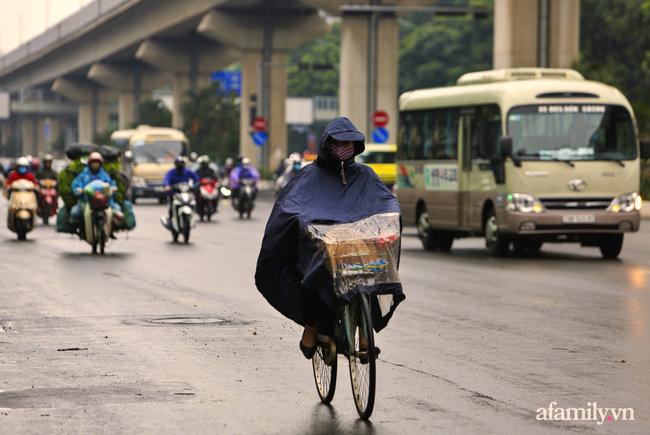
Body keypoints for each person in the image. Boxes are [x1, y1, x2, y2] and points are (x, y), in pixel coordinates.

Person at [255, 117, 405, 359]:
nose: (344, 146)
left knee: (374, 270)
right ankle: (312, 327)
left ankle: (365, 335)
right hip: (324, 244)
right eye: (339, 142)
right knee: (312, 271)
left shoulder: (366, 174)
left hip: (359, 243)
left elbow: (385, 199)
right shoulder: (308, 176)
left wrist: (391, 217)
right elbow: (290, 206)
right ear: (327, 143)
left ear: (356, 145)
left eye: (349, 142)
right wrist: (305, 224)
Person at [70, 152, 123, 229]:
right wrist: (79, 190)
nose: (95, 165)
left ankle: (111, 229)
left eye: (97, 163)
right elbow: (76, 184)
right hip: (86, 200)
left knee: (117, 210)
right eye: (93, 163)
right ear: (89, 164)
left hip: (103, 200)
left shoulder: (104, 175)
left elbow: (111, 183)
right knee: (75, 213)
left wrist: (113, 188)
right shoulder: (83, 175)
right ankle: (82, 228)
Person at [163, 156, 200, 225]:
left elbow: (196, 178)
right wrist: (167, 186)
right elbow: (167, 179)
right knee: (172, 204)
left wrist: (196, 185)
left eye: (181, 163)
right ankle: (171, 218)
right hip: (175, 193)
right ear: (176, 164)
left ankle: (191, 217)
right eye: (178, 163)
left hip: (185, 192)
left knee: (191, 201)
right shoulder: (172, 172)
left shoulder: (187, 171)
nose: (180, 165)